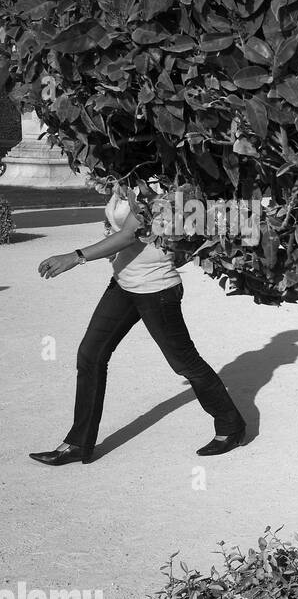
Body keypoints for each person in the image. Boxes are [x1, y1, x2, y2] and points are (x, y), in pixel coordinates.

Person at [30, 181, 247, 465]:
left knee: (184, 363)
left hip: (156, 288)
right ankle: (78, 444)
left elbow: (132, 233)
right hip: (124, 283)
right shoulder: (127, 177)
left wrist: (76, 256)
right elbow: (119, 224)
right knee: (90, 355)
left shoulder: (161, 183)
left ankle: (231, 426)